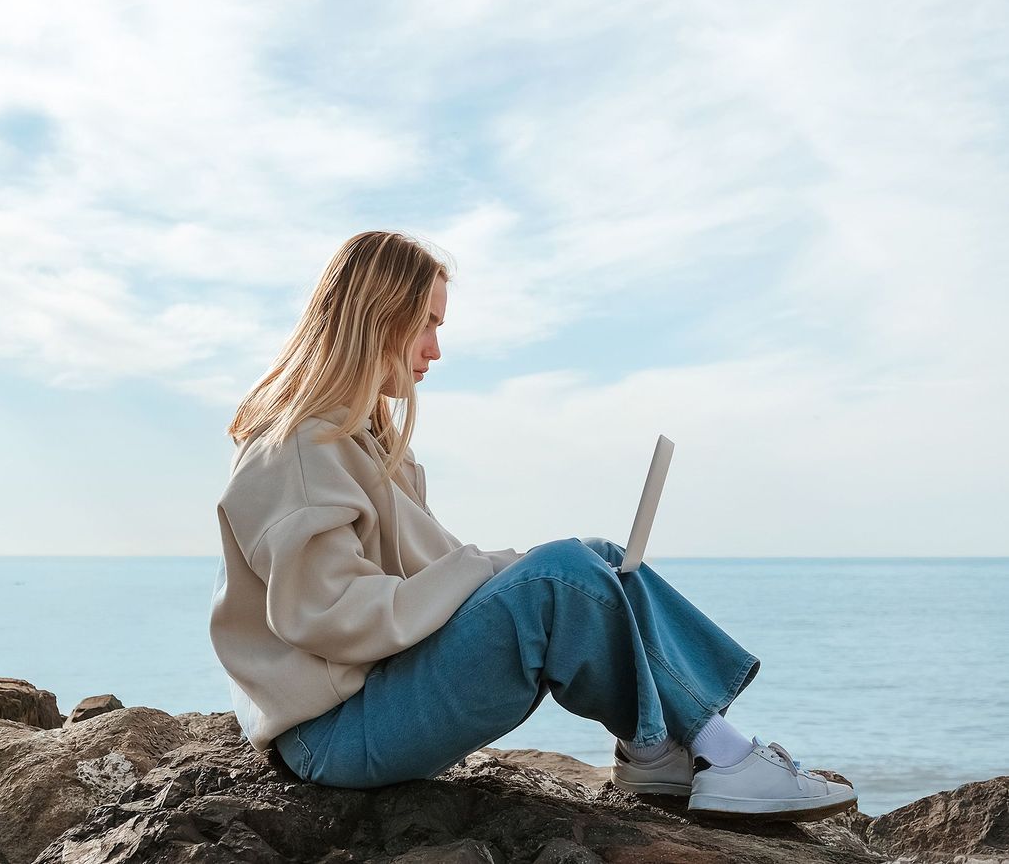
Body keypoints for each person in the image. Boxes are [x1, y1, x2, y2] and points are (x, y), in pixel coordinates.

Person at [208, 230, 857, 820]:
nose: (436, 348)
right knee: (561, 577)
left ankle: (660, 755)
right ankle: (722, 758)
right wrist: (506, 571)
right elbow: (331, 616)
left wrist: (515, 568)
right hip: (331, 738)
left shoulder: (369, 445)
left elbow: (434, 577)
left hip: (371, 706)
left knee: (592, 557)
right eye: (426, 324)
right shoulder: (297, 449)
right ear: (379, 316)